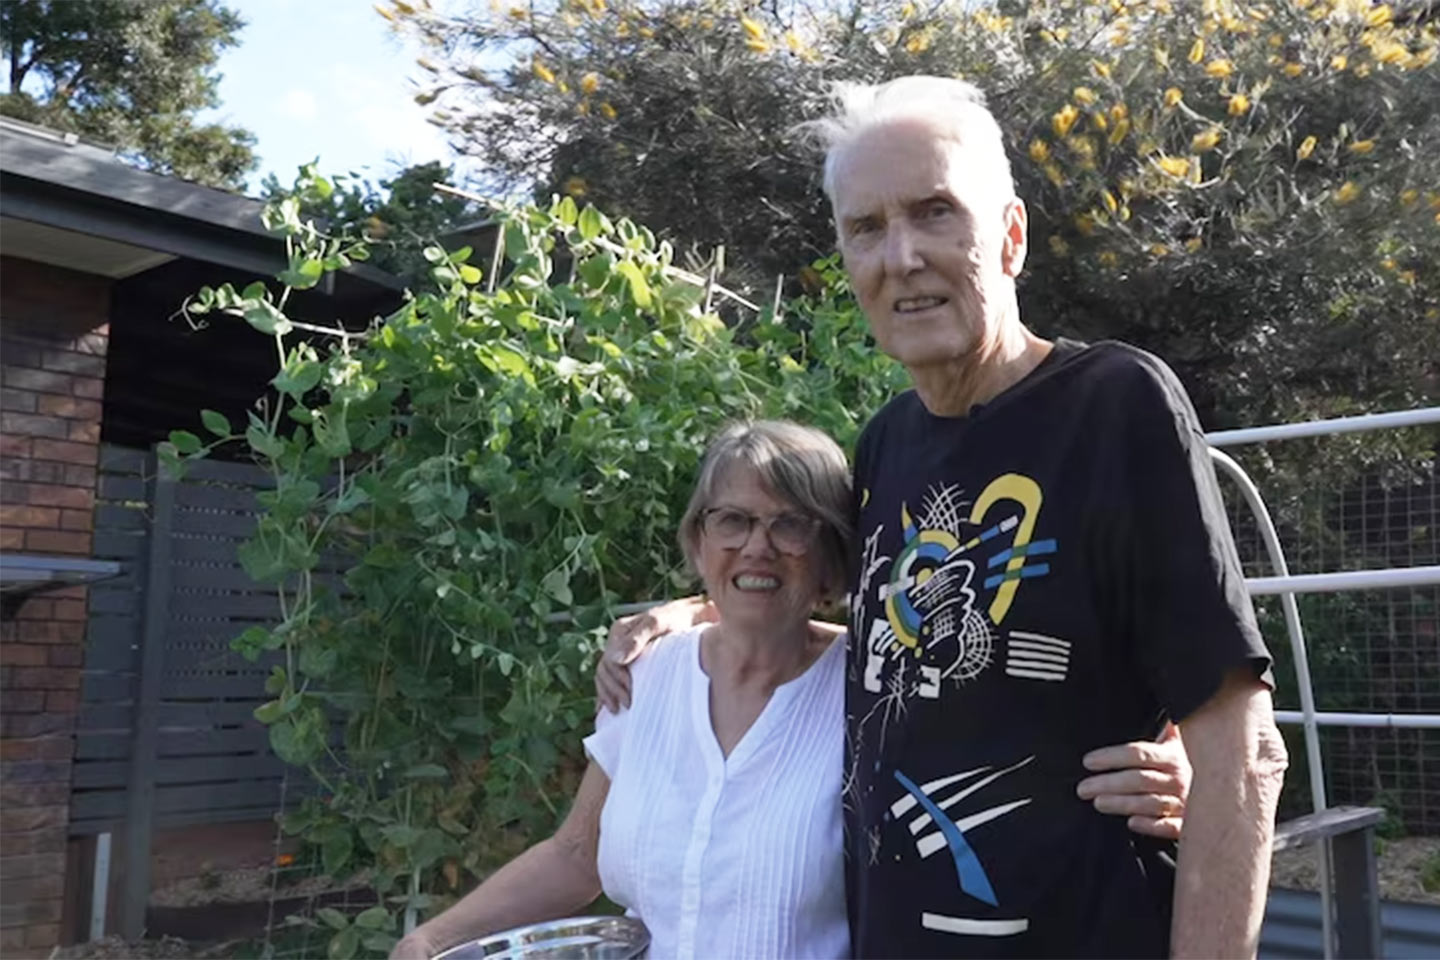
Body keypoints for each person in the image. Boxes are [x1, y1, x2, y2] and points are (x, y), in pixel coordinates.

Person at [599, 76, 1287, 959]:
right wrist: (676, 614)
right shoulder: (886, 445)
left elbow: (1241, 744)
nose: (901, 256)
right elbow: (803, 586)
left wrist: (1193, 775)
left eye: (934, 213)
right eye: (866, 228)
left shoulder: (1115, 407)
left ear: (1009, 237)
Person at [393, 421, 1190, 960]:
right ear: (698, 540)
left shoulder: (878, 682)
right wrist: (430, 942)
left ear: (834, 556)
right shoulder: (648, 674)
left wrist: (1177, 759)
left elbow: (1025, 732)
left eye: (792, 524)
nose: (758, 548)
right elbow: (575, 855)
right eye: (731, 521)